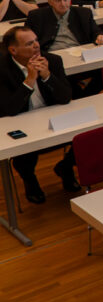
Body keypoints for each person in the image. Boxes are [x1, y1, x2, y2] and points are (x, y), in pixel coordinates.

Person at [0, 26, 75, 202]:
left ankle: (66, 166)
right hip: (19, 122)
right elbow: (9, 109)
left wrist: (47, 75)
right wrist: (30, 80)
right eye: (29, 43)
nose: (36, 45)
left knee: (87, 135)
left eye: (36, 40)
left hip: (51, 117)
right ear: (13, 50)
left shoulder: (52, 60)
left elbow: (66, 97)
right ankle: (30, 180)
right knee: (22, 152)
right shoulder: (2, 69)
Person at [27, 0, 103, 98]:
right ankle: (74, 95)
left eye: (65, 0)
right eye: (58, 0)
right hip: (52, 56)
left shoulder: (83, 13)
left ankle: (82, 96)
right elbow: (28, 40)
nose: (63, 4)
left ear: (70, 0)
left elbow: (96, 31)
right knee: (60, 77)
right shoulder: (36, 16)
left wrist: (100, 36)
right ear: (50, 2)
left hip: (80, 54)